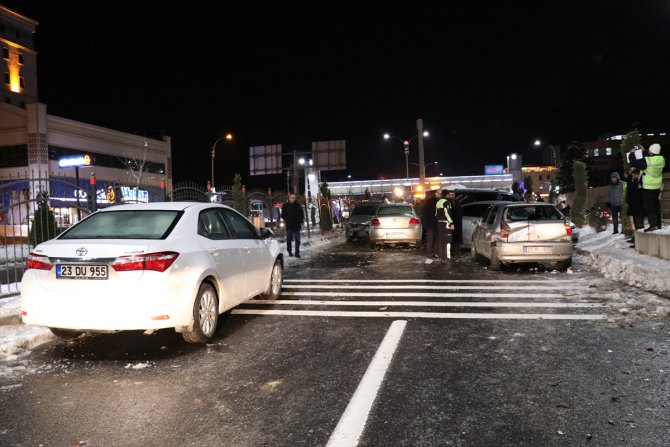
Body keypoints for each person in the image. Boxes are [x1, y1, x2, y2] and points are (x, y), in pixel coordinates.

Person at [629, 143, 666, 232]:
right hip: (657, 186)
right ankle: (658, 224)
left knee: (649, 206)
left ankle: (653, 225)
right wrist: (644, 150)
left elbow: (635, 163)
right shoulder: (661, 159)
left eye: (649, 150)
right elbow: (650, 158)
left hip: (648, 186)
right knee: (656, 205)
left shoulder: (647, 161)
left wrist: (631, 154)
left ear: (651, 151)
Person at [624, 166, 645, 243]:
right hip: (633, 205)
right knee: (635, 223)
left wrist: (630, 178)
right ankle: (636, 239)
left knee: (639, 223)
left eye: (632, 172)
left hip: (638, 205)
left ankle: (640, 240)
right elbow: (630, 190)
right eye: (630, 171)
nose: (630, 173)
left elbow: (635, 190)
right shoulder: (632, 180)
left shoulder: (639, 180)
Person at [435, 189, 454, 260]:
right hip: (446, 223)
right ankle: (447, 256)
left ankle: (441, 255)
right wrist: (451, 223)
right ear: (446, 195)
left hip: (439, 223)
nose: (450, 196)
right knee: (448, 240)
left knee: (441, 239)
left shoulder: (438, 202)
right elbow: (447, 214)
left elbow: (436, 214)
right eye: (449, 194)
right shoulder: (446, 202)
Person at [421, 190, 438, 258]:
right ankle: (435, 252)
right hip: (435, 222)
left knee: (430, 238)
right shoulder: (436, 201)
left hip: (429, 223)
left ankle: (429, 252)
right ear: (434, 194)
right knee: (435, 238)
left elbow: (423, 212)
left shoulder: (426, 202)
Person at [446, 190, 462, 257]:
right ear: (448, 195)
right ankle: (451, 252)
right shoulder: (448, 202)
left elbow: (459, 211)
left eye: (453, 194)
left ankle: (457, 252)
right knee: (451, 238)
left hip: (458, 223)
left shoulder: (456, 202)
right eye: (451, 194)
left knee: (457, 238)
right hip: (451, 222)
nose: (452, 195)